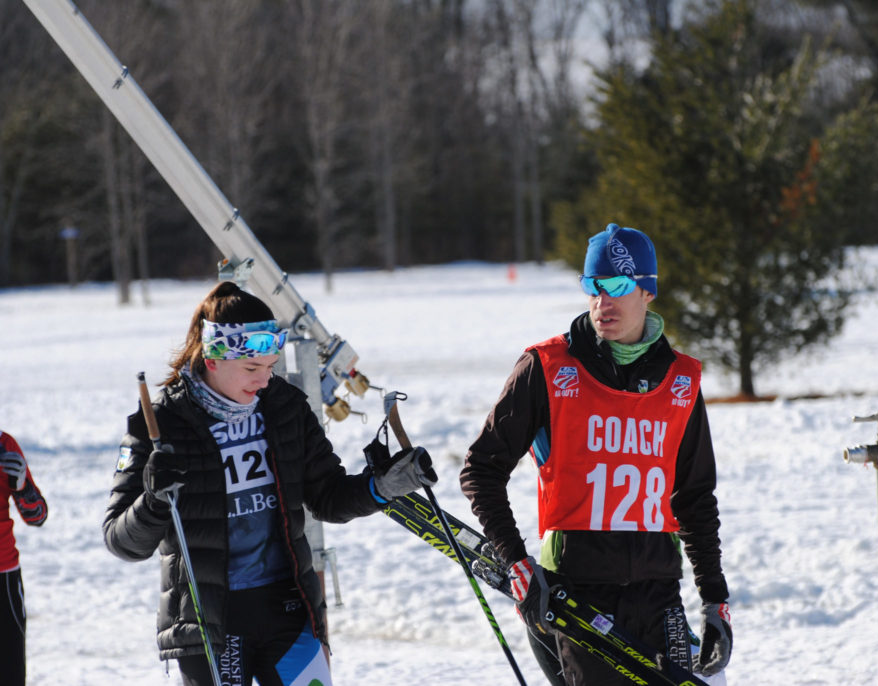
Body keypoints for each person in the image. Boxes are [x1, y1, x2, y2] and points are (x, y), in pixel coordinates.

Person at [103, 281, 434, 686]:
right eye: (251, 369)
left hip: (287, 608)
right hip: (210, 622)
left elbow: (326, 496)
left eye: (270, 367)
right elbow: (121, 542)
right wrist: (153, 501)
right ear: (212, 358)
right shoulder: (159, 425)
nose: (264, 380)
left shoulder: (284, 407)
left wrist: (381, 487)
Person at [460, 223, 732, 685]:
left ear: (647, 292)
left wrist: (714, 600)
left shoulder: (681, 382)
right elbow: (482, 470)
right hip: (572, 596)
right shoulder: (547, 367)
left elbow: (694, 497)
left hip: (658, 596)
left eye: (618, 287)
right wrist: (517, 562)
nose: (602, 303)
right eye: (593, 287)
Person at [0, 430, 48, 686]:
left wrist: (23, 488)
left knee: (9, 673)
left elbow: (37, 516)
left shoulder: (4, 445)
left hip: (3, 576)